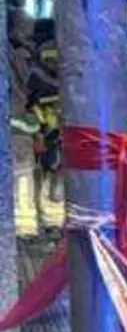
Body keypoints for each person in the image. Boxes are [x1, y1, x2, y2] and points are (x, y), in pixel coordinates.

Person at [8, 13, 41, 241]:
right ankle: (24, 226)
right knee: (23, 175)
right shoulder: (25, 58)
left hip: (17, 124)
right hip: (19, 125)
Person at [28, 38, 64, 237]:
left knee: (52, 175)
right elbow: (31, 103)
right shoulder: (37, 73)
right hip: (44, 131)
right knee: (41, 175)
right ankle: (44, 219)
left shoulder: (38, 68)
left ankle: (51, 221)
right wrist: (39, 131)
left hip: (56, 132)